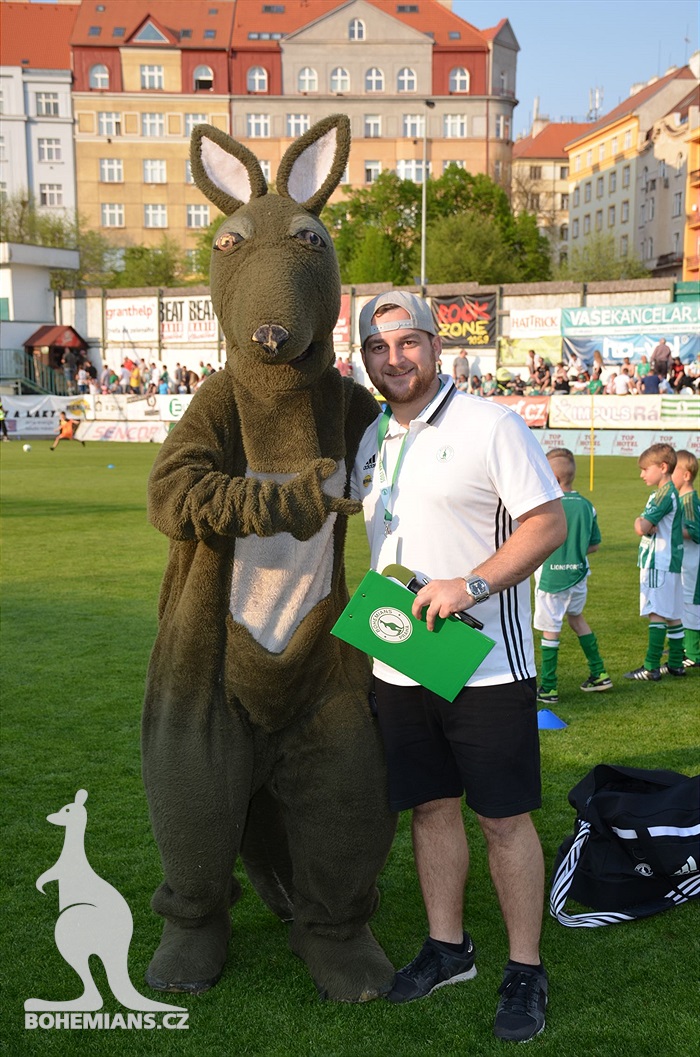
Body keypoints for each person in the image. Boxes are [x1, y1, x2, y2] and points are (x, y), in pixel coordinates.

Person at [351, 291, 566, 1043]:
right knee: (431, 808)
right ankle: (450, 949)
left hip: (489, 667)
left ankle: (524, 966)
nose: (394, 359)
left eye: (407, 342)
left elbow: (548, 522)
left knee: (503, 819)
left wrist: (469, 583)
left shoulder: (490, 424)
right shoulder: (373, 437)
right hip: (401, 663)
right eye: (378, 348)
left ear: (437, 346)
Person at [534, 449, 611, 705]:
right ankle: (599, 673)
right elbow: (594, 545)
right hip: (578, 575)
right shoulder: (588, 506)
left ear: (553, 477)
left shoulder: (548, 507)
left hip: (551, 579)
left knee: (550, 630)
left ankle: (549, 687)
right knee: (576, 618)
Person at [624, 443, 684, 681]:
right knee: (673, 613)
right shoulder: (670, 492)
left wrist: (639, 521)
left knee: (656, 612)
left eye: (645, 469)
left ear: (662, 467)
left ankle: (651, 667)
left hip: (658, 560)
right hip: (670, 560)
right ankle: (677, 663)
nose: (642, 474)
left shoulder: (663, 495)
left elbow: (642, 527)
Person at [667, 451, 700, 669]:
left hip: (692, 564)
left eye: (673, 471)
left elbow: (696, 531)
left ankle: (694, 653)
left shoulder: (688, 501)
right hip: (685, 562)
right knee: (683, 603)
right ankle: (685, 646)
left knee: (690, 605)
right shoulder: (684, 498)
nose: (669, 476)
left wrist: (671, 527)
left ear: (686, 475)